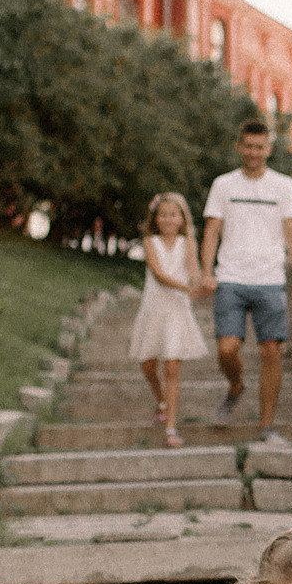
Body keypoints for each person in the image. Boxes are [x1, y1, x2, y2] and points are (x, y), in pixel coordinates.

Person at [200, 120, 292, 446]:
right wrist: (206, 272)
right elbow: (212, 231)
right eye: (248, 146)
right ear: (239, 147)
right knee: (227, 348)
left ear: (268, 150)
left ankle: (266, 426)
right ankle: (236, 386)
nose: (253, 152)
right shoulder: (223, 185)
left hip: (270, 279)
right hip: (231, 277)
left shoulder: (283, 186)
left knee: (271, 351)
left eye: (259, 147)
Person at [126, 192, 209, 447]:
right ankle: (161, 400)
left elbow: (193, 270)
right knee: (148, 365)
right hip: (154, 308)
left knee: (172, 366)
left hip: (176, 311)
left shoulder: (188, 243)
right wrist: (187, 288)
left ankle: (171, 428)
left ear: (182, 219)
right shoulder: (150, 242)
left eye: (174, 214)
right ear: (155, 218)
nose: (168, 219)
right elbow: (159, 274)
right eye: (163, 215)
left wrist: (202, 282)